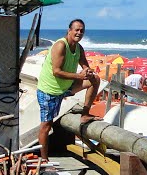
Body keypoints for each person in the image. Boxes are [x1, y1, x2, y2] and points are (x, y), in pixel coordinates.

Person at [36, 19, 100, 160]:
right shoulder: (60, 46)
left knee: (95, 80)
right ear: (69, 30)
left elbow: (85, 66)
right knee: (46, 126)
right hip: (50, 91)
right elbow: (56, 71)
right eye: (76, 30)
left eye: (81, 30)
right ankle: (44, 159)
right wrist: (79, 75)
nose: (79, 33)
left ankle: (85, 114)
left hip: (66, 87)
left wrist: (88, 72)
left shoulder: (79, 48)